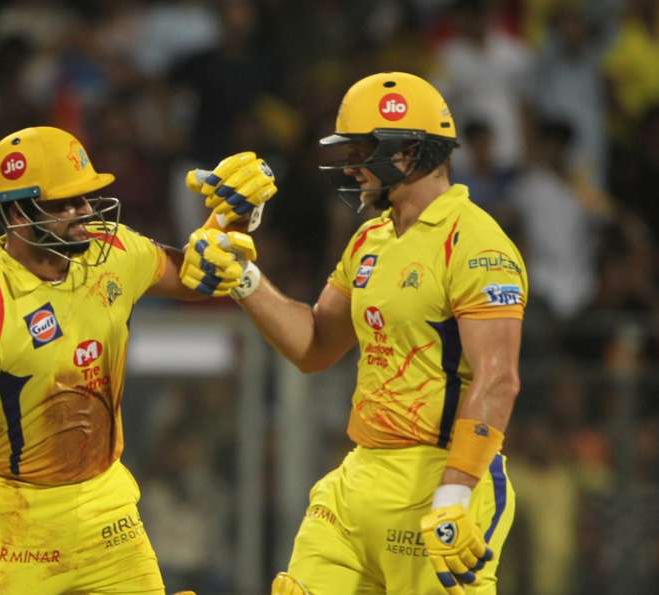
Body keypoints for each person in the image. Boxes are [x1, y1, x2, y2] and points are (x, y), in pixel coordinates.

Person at [0, 126, 273, 594]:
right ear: (16, 212)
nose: (83, 214)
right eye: (63, 205)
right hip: (7, 519)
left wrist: (230, 220)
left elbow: (197, 274)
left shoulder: (113, 250)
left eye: (86, 199)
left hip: (102, 507)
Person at [189, 72, 527, 594]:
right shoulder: (371, 238)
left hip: (439, 476)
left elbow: (498, 378)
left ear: (409, 151)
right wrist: (244, 279)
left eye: (364, 151)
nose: (352, 167)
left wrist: (457, 492)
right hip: (360, 475)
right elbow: (315, 346)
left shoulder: (478, 243)